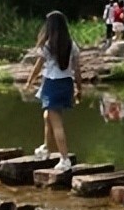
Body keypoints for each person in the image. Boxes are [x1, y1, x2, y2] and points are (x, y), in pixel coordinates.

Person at [23, 11, 81, 172]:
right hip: (66, 84)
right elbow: (77, 70)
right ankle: (46, 147)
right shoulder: (72, 44)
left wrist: (29, 82)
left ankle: (64, 158)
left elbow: (38, 67)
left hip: (52, 84)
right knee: (48, 115)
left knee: (57, 124)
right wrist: (79, 88)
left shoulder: (48, 46)